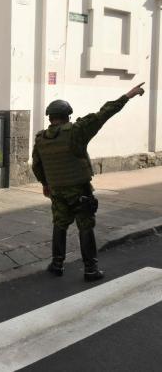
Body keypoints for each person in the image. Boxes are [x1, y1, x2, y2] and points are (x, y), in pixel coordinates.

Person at [32, 82, 145, 282]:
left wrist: (45, 184)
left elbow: (37, 166)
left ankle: (57, 265)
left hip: (57, 190)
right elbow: (104, 113)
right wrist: (127, 95)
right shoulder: (77, 131)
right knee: (85, 226)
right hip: (78, 190)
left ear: (50, 117)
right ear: (68, 116)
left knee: (59, 224)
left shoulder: (41, 138)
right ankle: (90, 269)